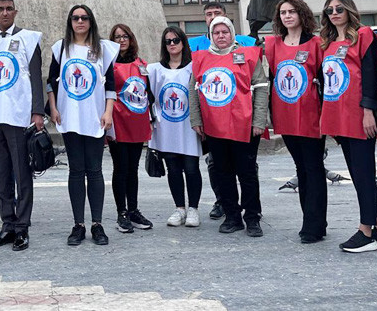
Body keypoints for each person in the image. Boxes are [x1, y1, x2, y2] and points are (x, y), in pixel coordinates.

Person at [319, 0, 377, 253]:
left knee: (363, 173)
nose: (334, 13)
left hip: (359, 114)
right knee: (359, 173)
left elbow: (371, 73)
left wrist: (369, 110)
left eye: (339, 8)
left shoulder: (364, 35)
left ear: (349, 9)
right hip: (337, 114)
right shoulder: (326, 42)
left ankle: (366, 231)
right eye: (329, 10)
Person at [190, 17, 269, 237]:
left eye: (225, 31)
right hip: (214, 127)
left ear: (232, 33)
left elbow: (261, 88)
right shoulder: (200, 59)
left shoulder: (249, 55)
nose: (221, 36)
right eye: (216, 33)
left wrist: (259, 121)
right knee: (223, 174)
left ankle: (252, 217)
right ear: (211, 36)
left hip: (244, 126)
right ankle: (232, 216)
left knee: (247, 174)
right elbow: (192, 90)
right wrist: (196, 120)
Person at [0, 0, 44, 252]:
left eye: (9, 9)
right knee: (2, 173)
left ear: (15, 12)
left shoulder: (29, 38)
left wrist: (38, 111)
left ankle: (22, 226)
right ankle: (7, 223)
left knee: (22, 173)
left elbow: (37, 77)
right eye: (0, 9)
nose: (4, 13)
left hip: (18, 115)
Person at [47, 5, 118, 246]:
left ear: (90, 21)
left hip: (95, 116)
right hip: (70, 116)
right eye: (75, 18)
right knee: (76, 170)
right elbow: (51, 82)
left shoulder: (104, 49)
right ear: (70, 21)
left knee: (95, 170)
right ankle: (78, 224)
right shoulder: (61, 48)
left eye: (84, 18)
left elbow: (111, 85)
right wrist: (53, 108)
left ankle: (97, 224)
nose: (79, 21)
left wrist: (108, 111)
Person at [264, 0, 326, 244]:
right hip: (285, 114)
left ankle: (314, 224)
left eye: (291, 12)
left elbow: (324, 79)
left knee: (314, 167)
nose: (287, 16)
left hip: (312, 115)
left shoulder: (316, 43)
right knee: (301, 169)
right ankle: (310, 220)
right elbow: (270, 79)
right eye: (283, 13)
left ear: (302, 14)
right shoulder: (274, 45)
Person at [149, 26, 203, 229]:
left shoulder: (194, 67)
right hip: (166, 128)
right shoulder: (155, 70)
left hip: (188, 126)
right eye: (168, 41)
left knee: (191, 168)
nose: (172, 44)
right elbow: (150, 96)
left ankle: (194, 209)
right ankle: (179, 207)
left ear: (183, 42)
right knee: (173, 169)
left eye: (175, 40)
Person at [107, 24, 154, 233]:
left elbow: (148, 93)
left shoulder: (141, 64)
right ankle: (121, 213)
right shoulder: (108, 64)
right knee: (121, 167)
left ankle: (133, 209)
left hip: (137, 122)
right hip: (118, 122)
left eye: (125, 36)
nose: (121, 40)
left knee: (133, 169)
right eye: (117, 37)